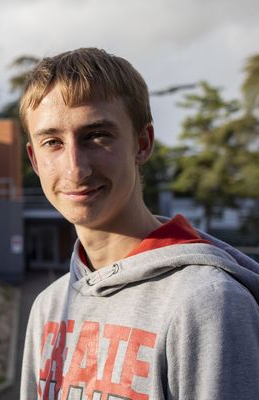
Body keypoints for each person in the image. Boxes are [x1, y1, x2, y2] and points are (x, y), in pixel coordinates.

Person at [19, 48, 259, 400]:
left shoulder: (208, 303)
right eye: (52, 142)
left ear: (142, 143)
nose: (75, 168)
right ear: (35, 160)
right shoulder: (49, 306)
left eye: (97, 135)